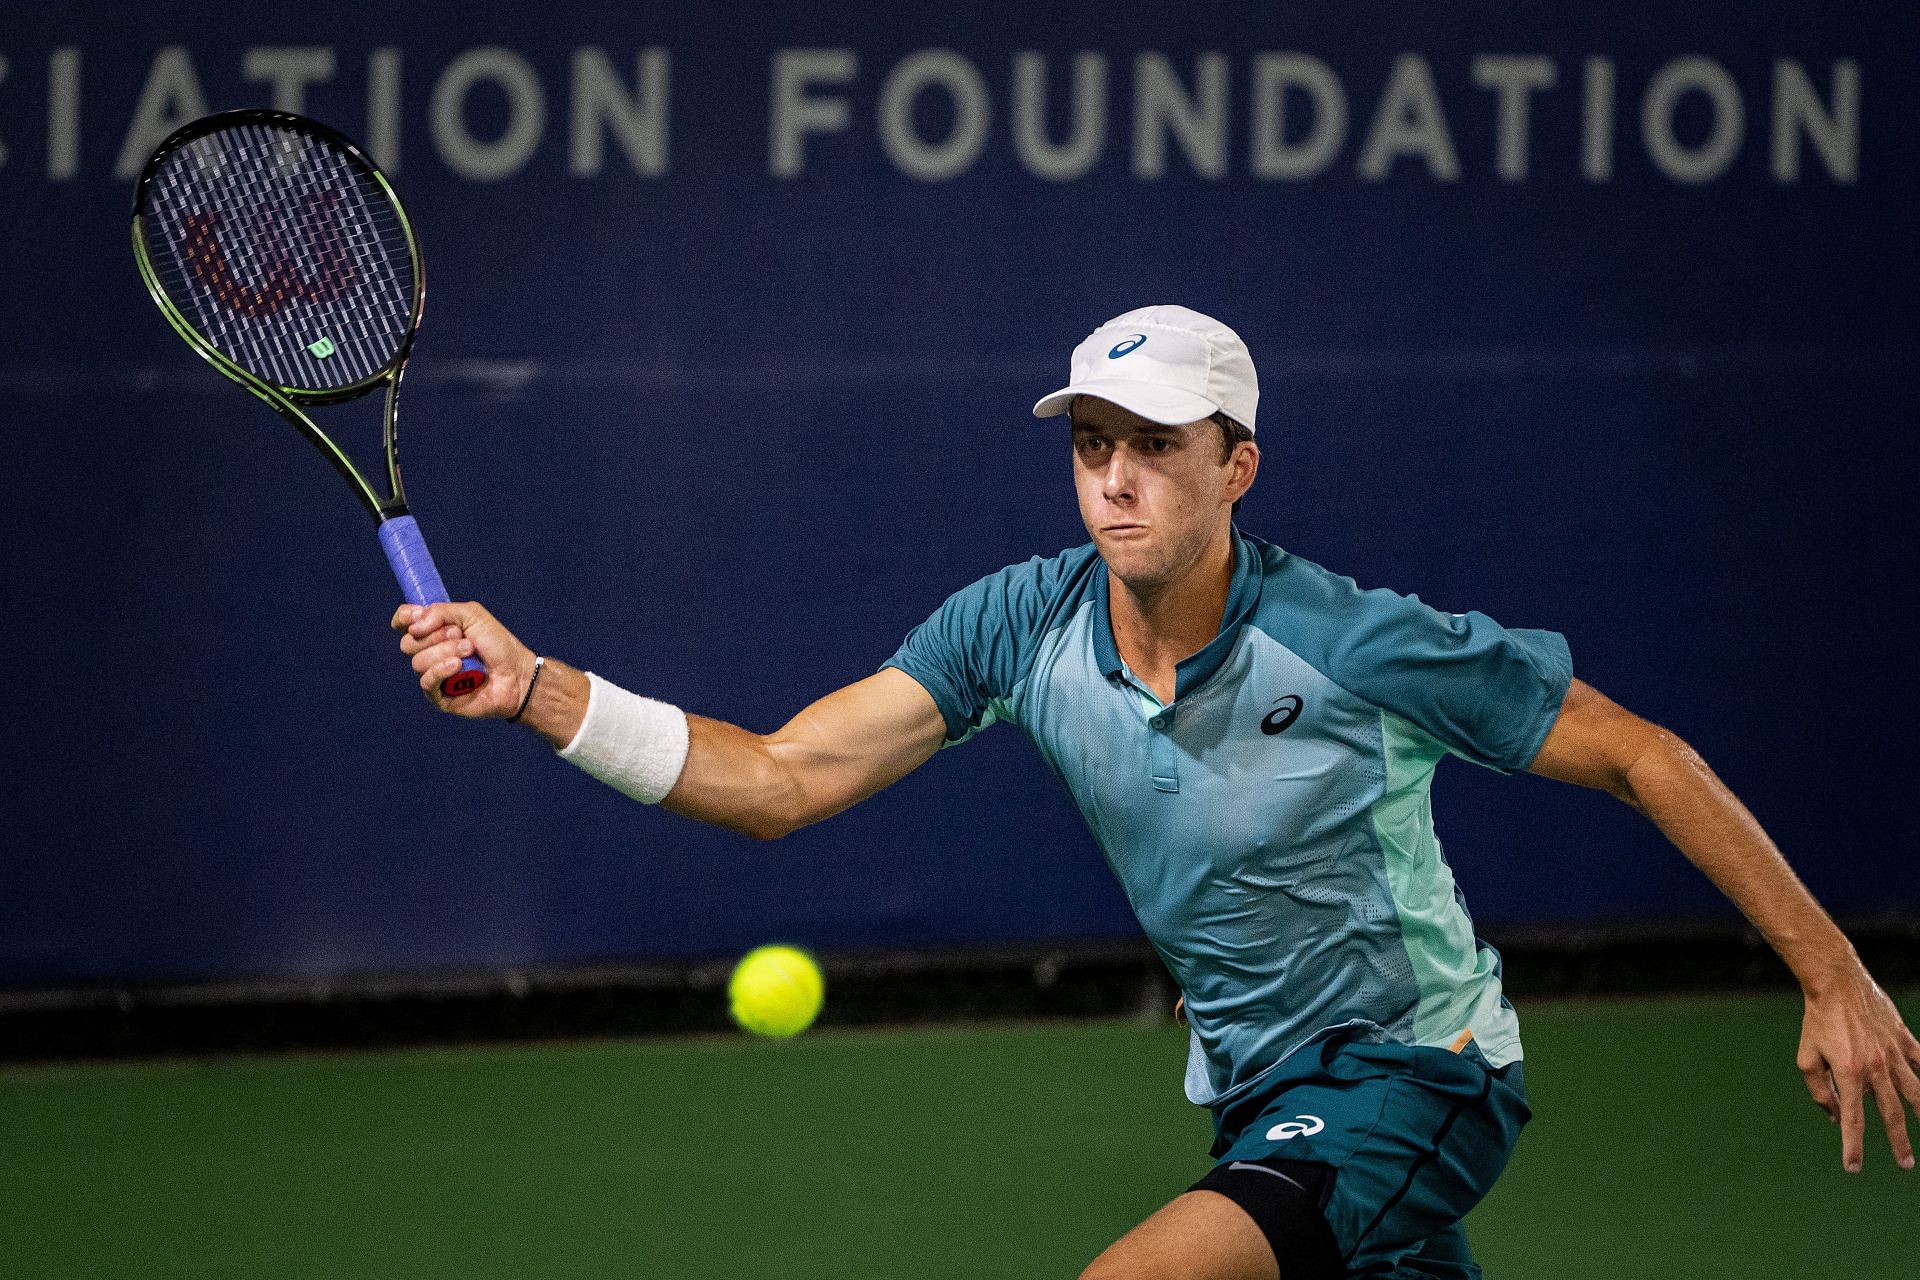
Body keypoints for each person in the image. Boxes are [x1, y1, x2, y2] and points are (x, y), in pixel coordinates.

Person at [394, 305, 1918, 1279]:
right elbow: (784, 779)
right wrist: (539, 688)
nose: (1114, 480)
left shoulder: (1358, 643)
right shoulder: (1020, 623)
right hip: (1259, 1097)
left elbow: (1650, 754)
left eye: (1155, 450)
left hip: (1418, 1075)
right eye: (1093, 447)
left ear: (1237, 466)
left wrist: (1832, 972)